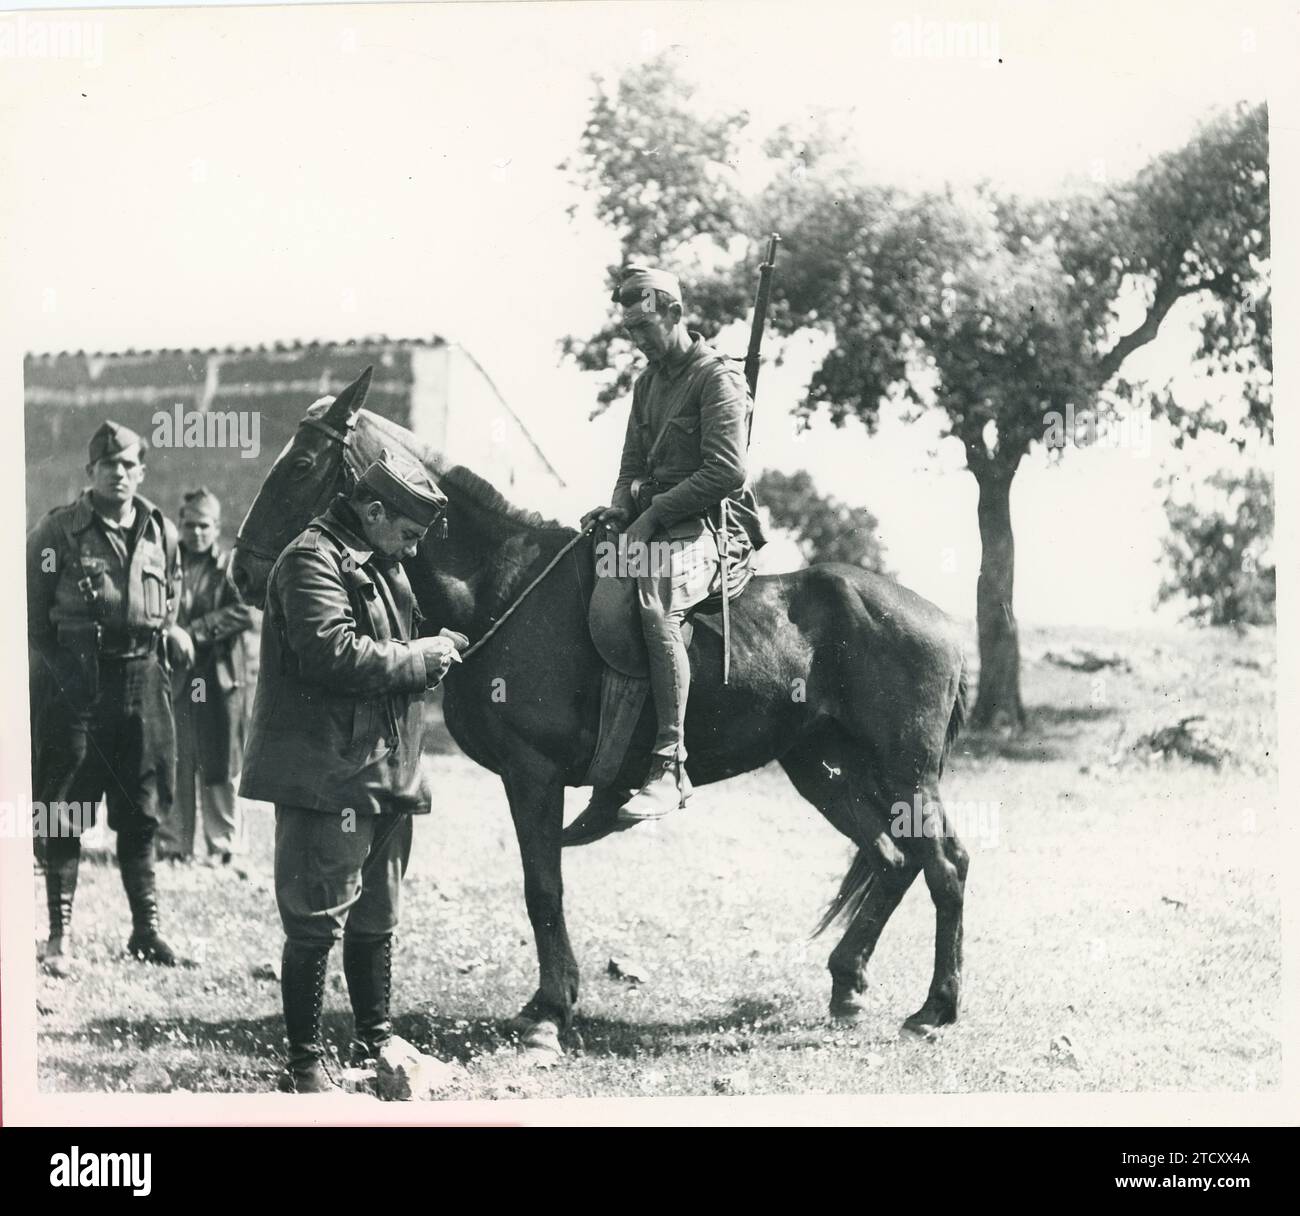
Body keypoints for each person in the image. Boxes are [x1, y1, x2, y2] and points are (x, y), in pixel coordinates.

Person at [240, 449, 464, 1093]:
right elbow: (330, 653)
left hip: (386, 768)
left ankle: (376, 1043)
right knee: (316, 920)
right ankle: (306, 1068)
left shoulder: (380, 559)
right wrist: (421, 657)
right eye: (409, 533)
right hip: (328, 772)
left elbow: (383, 645)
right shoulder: (312, 558)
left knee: (376, 915)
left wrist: (436, 647)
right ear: (372, 510)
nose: (416, 550)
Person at [564, 266, 767, 846]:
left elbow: (726, 471)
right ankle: (612, 776)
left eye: (644, 326)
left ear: (675, 312)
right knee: (592, 587)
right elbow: (631, 465)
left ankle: (670, 763)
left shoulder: (717, 379)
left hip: (707, 527)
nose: (637, 339)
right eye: (630, 329)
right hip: (652, 525)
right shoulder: (646, 384)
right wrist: (617, 511)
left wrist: (652, 514)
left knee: (655, 607)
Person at [27, 420, 195, 976]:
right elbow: (32, 617)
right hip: (77, 685)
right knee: (65, 808)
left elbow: (169, 596)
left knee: (141, 810)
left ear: (141, 472)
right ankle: (59, 936)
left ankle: (145, 931)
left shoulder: (160, 531)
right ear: (90, 472)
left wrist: (172, 629)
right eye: (107, 466)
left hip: (144, 682)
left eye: (128, 466)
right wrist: (62, 676)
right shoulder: (57, 533)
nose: (118, 474)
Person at [157, 488, 259, 864]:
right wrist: (170, 632)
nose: (197, 532)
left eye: (205, 526)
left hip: (217, 680)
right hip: (176, 677)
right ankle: (172, 844)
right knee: (177, 758)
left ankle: (223, 845)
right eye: (190, 525)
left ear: (216, 528)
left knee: (219, 760)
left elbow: (244, 613)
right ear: (179, 525)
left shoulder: (229, 568)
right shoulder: (167, 565)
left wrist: (193, 632)